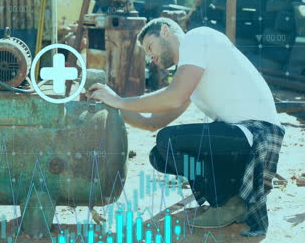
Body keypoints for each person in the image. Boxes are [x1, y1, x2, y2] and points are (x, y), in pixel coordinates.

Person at [88, 17, 285, 237]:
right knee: (159, 155)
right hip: (240, 136)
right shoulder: (191, 72)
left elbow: (174, 97)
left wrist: (120, 101)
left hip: (258, 133)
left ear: (165, 31)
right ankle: (231, 198)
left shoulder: (197, 37)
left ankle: (229, 201)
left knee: (169, 141)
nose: (150, 57)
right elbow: (151, 122)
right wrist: (112, 103)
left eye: (150, 47)